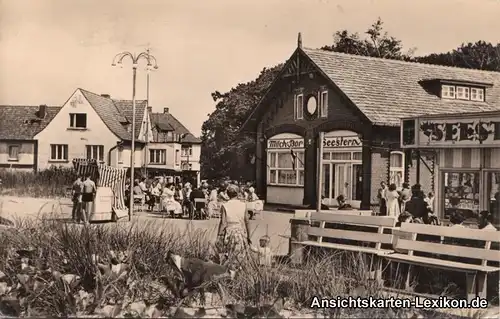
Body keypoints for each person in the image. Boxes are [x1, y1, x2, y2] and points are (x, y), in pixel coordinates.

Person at [217, 184, 251, 269]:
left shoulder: (225, 205)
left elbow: (223, 223)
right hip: (240, 233)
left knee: (229, 254)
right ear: (237, 193)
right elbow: (247, 221)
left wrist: (219, 235)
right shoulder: (243, 205)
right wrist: (249, 236)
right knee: (240, 255)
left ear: (228, 194)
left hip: (229, 233)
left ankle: (229, 272)